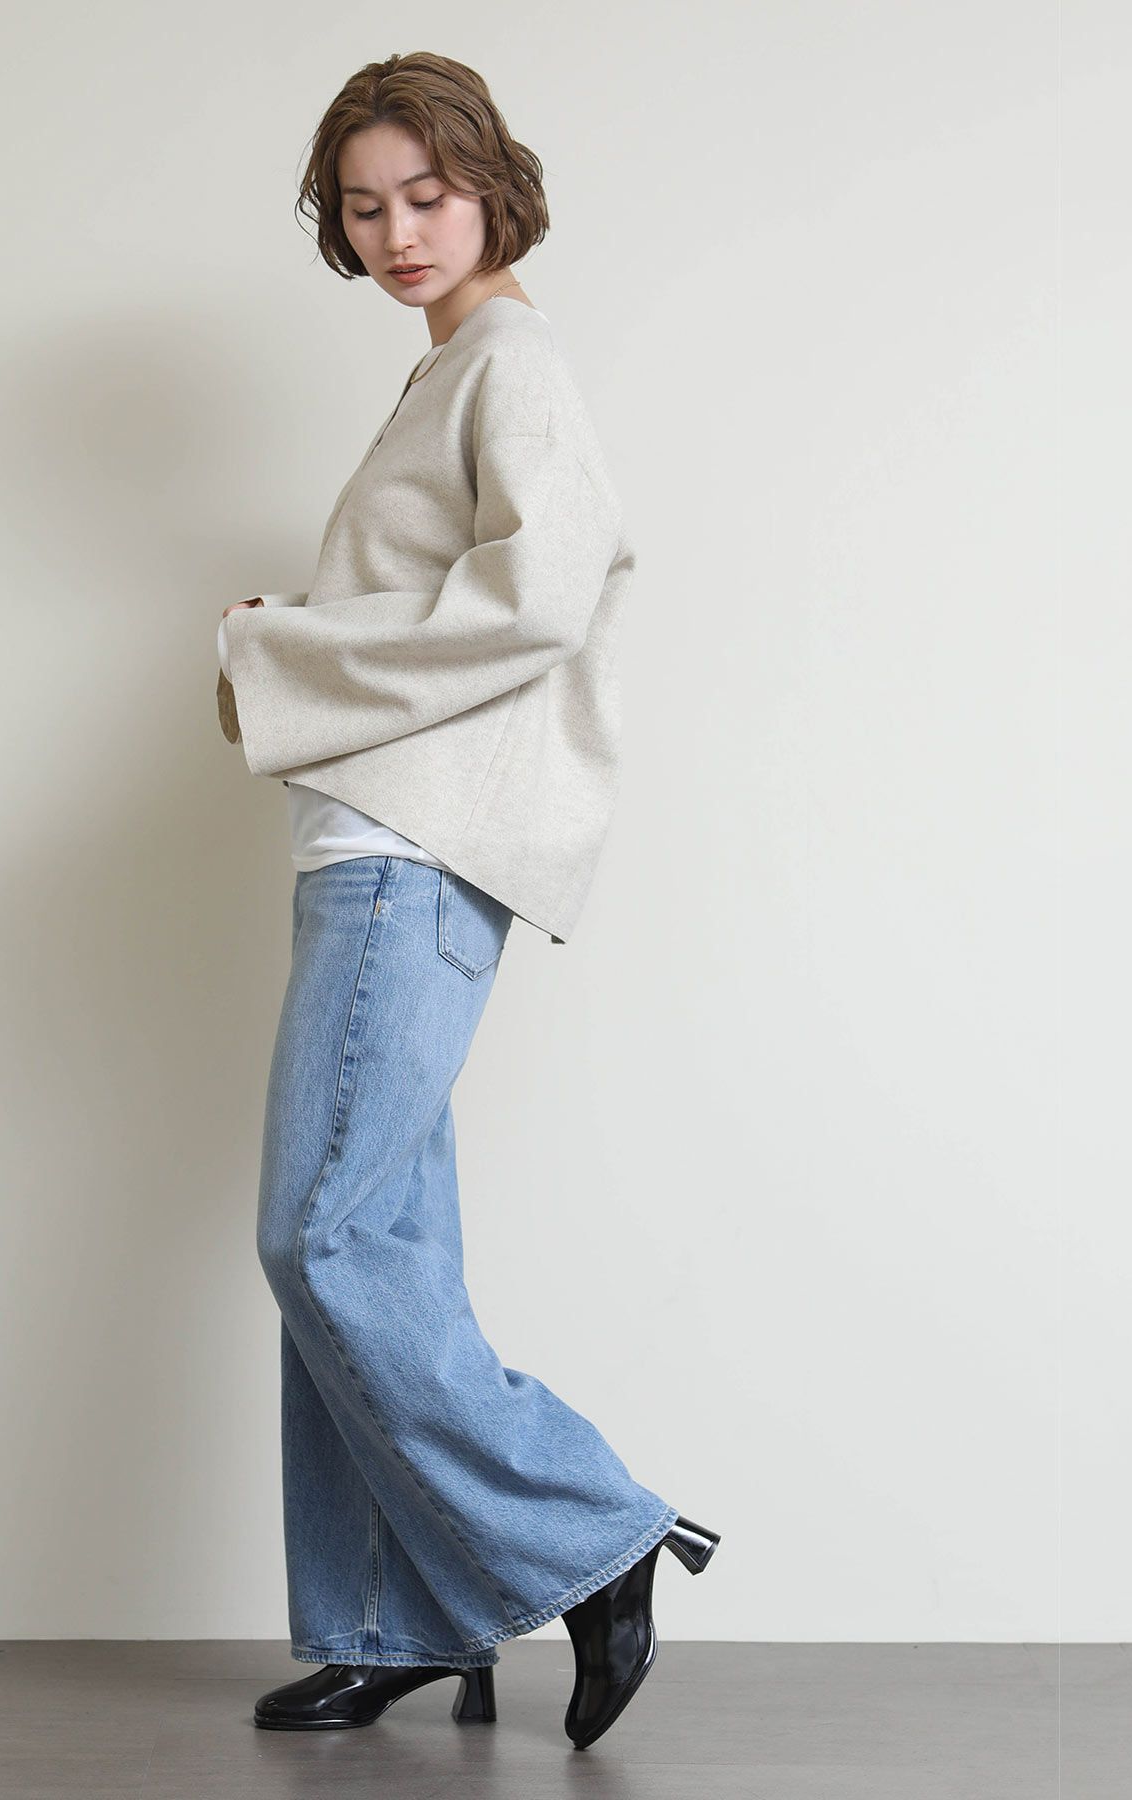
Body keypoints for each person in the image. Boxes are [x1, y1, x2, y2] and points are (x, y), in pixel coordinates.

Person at [215, 52, 720, 1752]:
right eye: (364, 208)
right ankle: (399, 1617)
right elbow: (460, 594)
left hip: (406, 859)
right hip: (374, 850)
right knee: (382, 1253)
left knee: (324, 1238)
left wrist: (282, 646)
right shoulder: (449, 368)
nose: (398, 232)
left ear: (493, 183)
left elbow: (542, 594)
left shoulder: (510, 360)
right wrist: (308, 629)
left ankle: (592, 1532)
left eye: (425, 194)